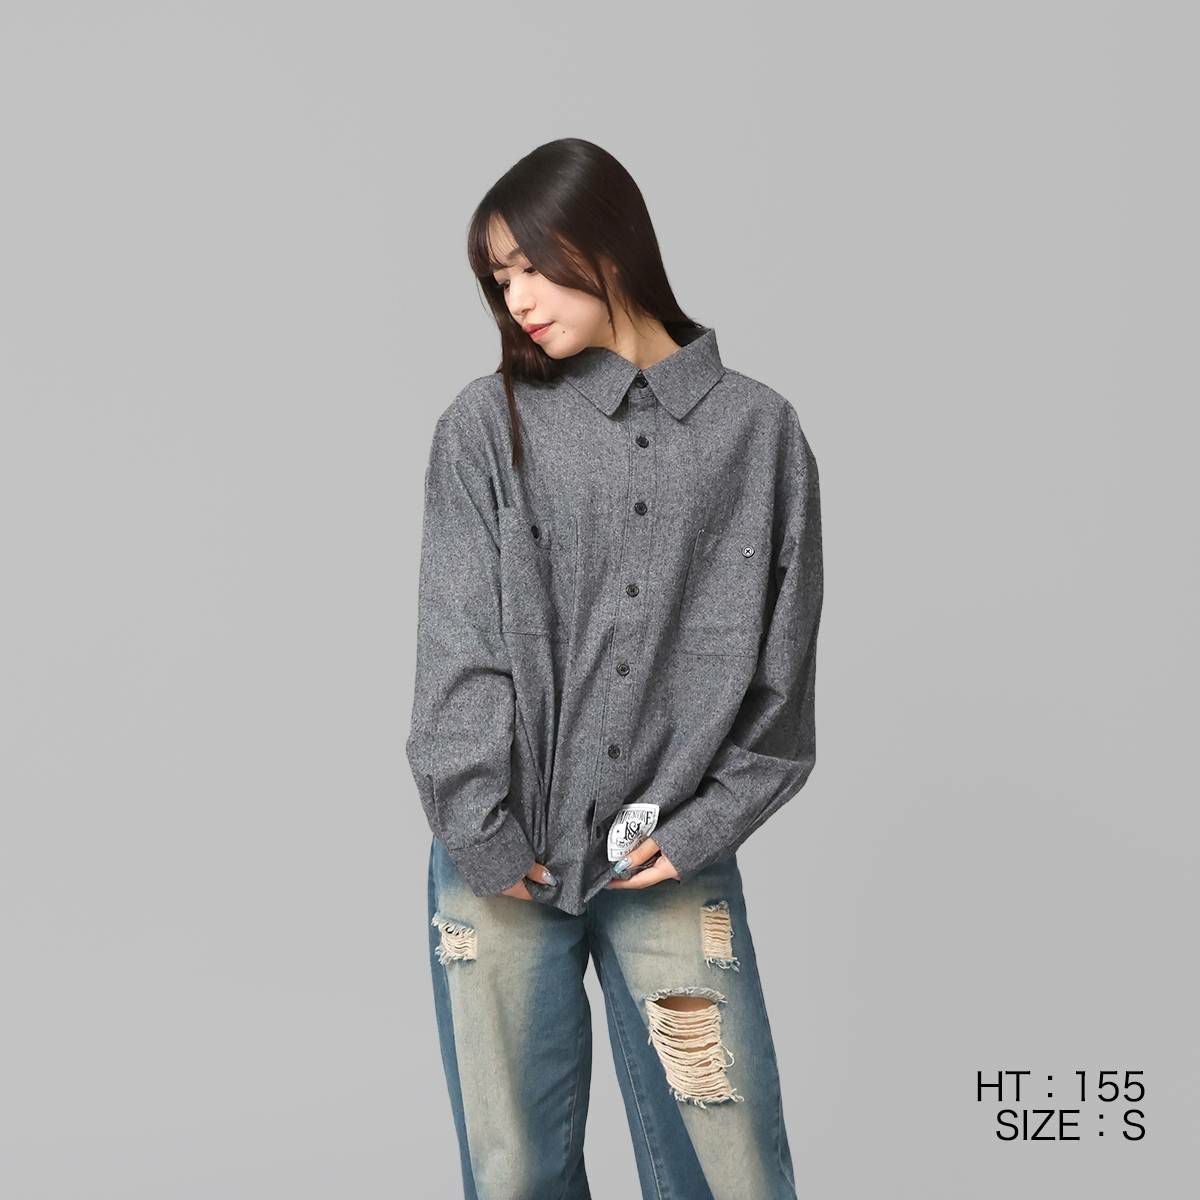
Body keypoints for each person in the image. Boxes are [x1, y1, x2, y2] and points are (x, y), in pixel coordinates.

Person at [406, 137, 823, 1199]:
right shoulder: (484, 426)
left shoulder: (761, 436)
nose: (517, 299)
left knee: (732, 1176)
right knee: (518, 1181)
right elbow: (459, 643)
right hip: (501, 860)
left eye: (531, 267)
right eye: (498, 278)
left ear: (606, 245)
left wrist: (700, 829)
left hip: (669, 860)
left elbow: (781, 685)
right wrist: (482, 829)